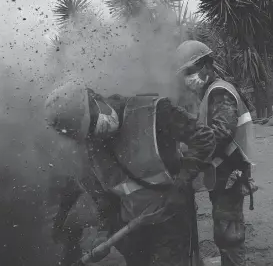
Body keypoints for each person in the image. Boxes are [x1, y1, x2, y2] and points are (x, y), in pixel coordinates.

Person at [44, 78, 215, 266]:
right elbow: (104, 201)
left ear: (94, 97)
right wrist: (103, 233)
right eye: (88, 132)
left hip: (170, 219)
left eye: (93, 121)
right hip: (133, 233)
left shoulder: (153, 112)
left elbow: (204, 138)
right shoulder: (88, 153)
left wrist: (181, 183)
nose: (95, 131)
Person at [175, 40, 258, 266]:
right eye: (184, 73)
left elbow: (221, 132)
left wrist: (190, 155)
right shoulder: (211, 92)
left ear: (205, 66)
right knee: (224, 230)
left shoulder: (219, 91)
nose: (187, 78)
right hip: (225, 174)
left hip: (230, 173)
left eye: (190, 71)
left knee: (229, 233)